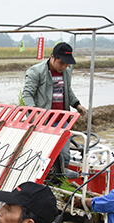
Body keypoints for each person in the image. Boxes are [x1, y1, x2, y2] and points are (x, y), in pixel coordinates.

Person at [23, 42, 87, 179]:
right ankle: (43, 178)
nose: (63, 67)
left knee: (64, 153)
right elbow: (27, 94)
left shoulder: (66, 72)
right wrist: (35, 113)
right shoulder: (36, 71)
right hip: (44, 120)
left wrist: (77, 104)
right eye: (61, 63)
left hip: (62, 119)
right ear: (52, 57)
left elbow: (67, 90)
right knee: (44, 151)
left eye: (67, 64)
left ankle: (61, 179)